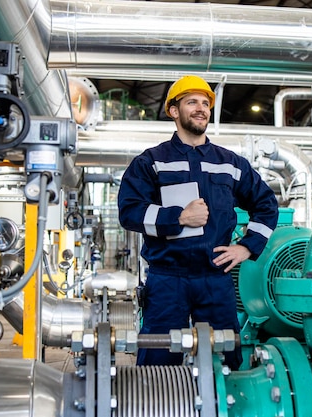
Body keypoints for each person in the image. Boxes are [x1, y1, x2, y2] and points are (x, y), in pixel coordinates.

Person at [118, 75, 279, 370]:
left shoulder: (230, 163)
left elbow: (266, 205)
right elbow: (129, 212)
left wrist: (246, 247)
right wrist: (177, 217)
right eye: (192, 101)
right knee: (157, 363)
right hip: (168, 279)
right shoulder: (151, 162)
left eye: (206, 103)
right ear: (173, 111)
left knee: (227, 359)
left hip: (215, 278)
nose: (201, 108)